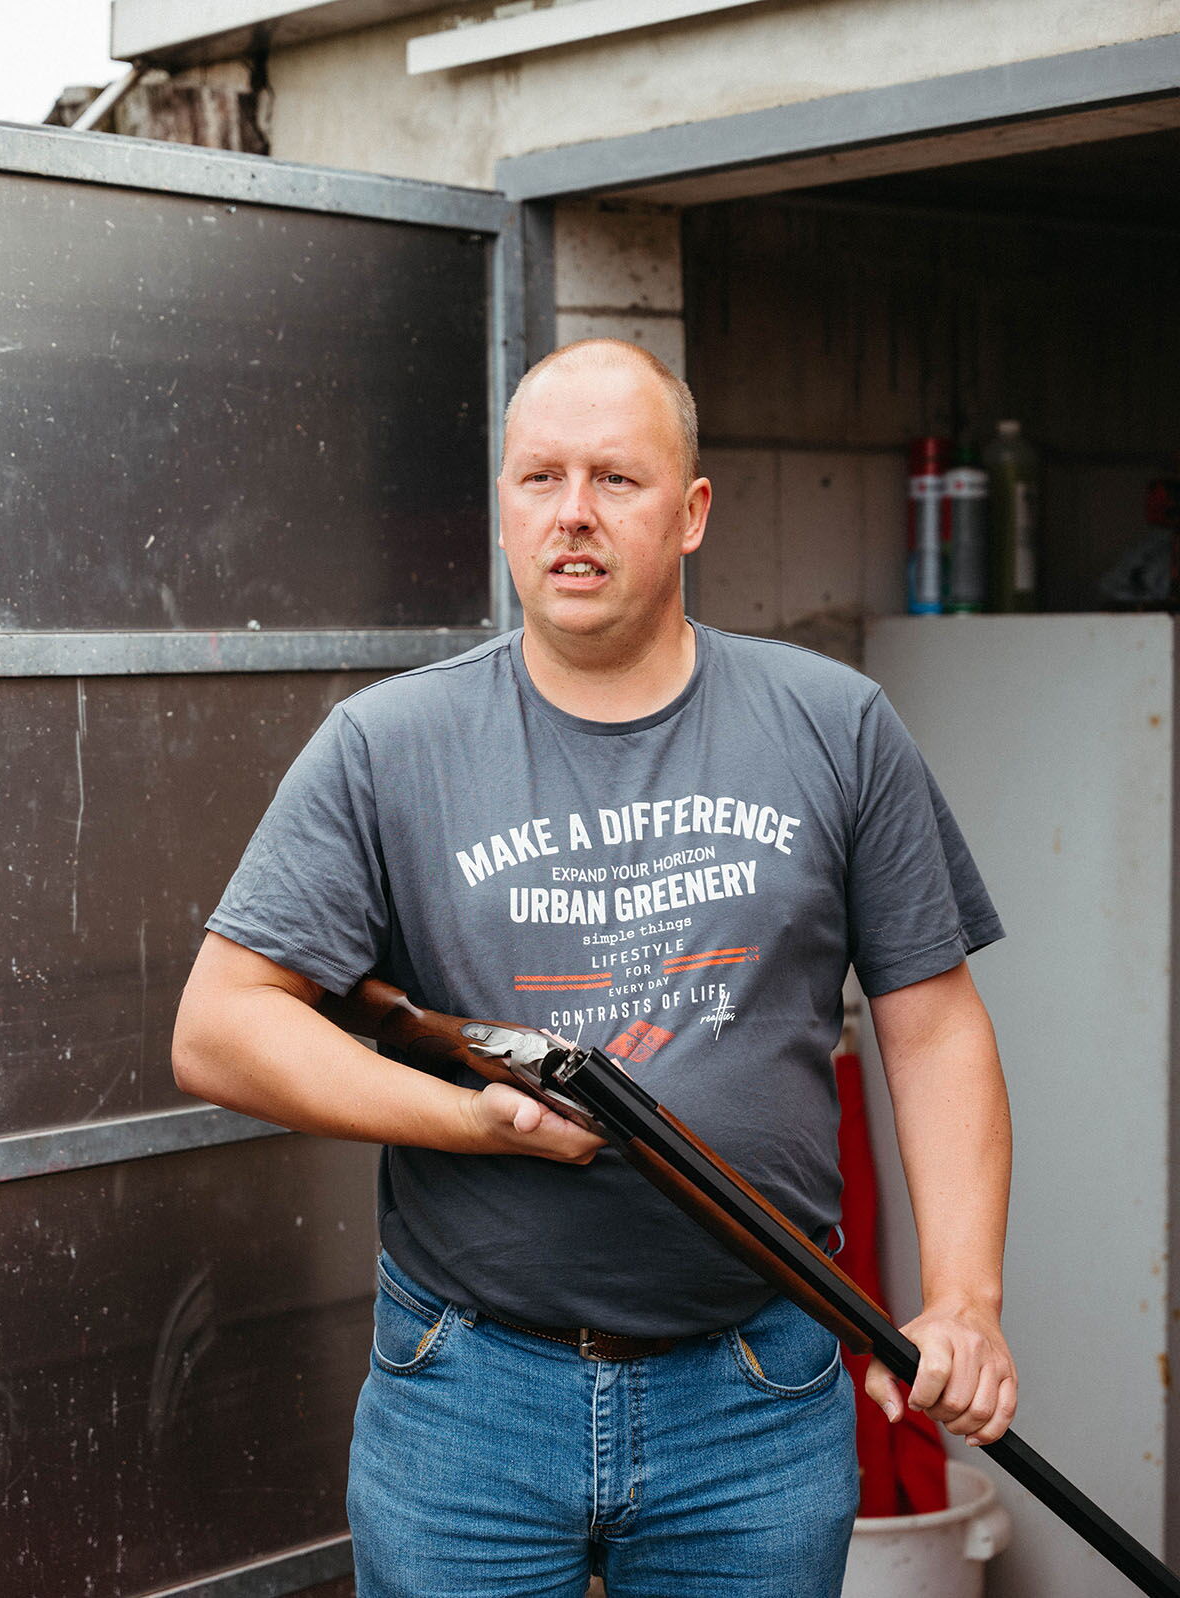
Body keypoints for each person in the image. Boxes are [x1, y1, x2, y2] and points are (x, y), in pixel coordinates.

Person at [173, 338, 1017, 1598]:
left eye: (617, 479)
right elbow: (221, 1026)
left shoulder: (835, 724)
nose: (572, 513)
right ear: (503, 509)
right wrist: (477, 1118)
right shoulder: (386, 745)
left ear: (691, 514)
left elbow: (936, 1025)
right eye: (539, 478)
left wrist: (962, 1294)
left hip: (759, 1388)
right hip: (468, 1396)